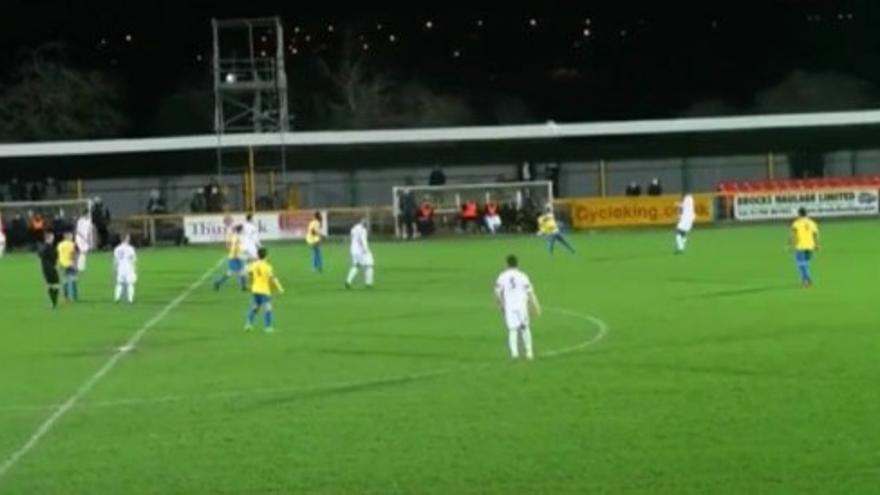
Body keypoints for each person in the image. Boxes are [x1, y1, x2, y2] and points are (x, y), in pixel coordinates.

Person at [494, 254, 542, 360]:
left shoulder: (502, 276)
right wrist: (536, 305)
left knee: (512, 329)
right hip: (521, 305)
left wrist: (501, 304)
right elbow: (530, 292)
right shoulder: (523, 276)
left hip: (509, 306)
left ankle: (514, 354)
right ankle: (529, 353)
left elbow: (497, 292)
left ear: (507, 264)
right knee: (525, 328)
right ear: (517, 264)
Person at [245, 247, 284, 333]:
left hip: (255, 289)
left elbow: (249, 275)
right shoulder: (267, 266)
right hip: (264, 290)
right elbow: (273, 278)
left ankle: (249, 324)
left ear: (258, 255)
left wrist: (249, 285)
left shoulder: (253, 265)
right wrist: (280, 288)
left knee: (255, 307)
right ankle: (268, 327)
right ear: (266, 256)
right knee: (268, 308)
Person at [790, 207, 819, 287]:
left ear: (799, 214)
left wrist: (790, 244)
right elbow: (815, 234)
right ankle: (804, 281)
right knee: (806, 264)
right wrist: (817, 244)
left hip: (800, 246)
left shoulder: (796, 223)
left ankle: (808, 279)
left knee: (801, 265)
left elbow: (793, 235)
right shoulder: (812, 223)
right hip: (810, 246)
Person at [214, 225, 247, 291]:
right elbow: (234, 247)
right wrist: (235, 255)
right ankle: (218, 283)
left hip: (237, 257)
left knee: (242, 272)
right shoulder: (237, 237)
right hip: (235, 257)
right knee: (230, 273)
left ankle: (243, 287)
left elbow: (232, 245)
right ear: (240, 230)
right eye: (243, 229)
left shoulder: (237, 236)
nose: (244, 231)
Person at [345, 218, 375, 289]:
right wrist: (366, 250)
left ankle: (348, 281)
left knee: (356, 265)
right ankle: (368, 283)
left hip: (353, 250)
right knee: (369, 265)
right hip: (361, 250)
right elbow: (363, 241)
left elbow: (352, 237)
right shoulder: (363, 230)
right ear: (365, 224)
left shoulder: (354, 228)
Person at [38, 232, 61, 309]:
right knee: (56, 284)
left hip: (44, 268)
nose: (53, 239)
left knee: (50, 285)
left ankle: (53, 301)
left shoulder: (42, 247)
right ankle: (54, 301)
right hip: (51, 267)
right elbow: (55, 257)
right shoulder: (51, 248)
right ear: (49, 239)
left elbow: (39, 255)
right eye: (52, 238)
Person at [113, 234, 138, 304]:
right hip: (129, 268)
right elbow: (133, 259)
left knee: (119, 284)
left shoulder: (117, 249)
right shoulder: (130, 248)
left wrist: (115, 269)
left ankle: (117, 298)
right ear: (126, 239)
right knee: (130, 284)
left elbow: (115, 260)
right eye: (128, 238)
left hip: (120, 268)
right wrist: (135, 268)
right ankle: (130, 299)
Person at [57, 231, 79, 302]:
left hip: (63, 264)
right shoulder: (72, 244)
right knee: (73, 280)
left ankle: (66, 298)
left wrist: (59, 263)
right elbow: (74, 254)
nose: (72, 237)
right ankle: (74, 297)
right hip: (71, 264)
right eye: (71, 236)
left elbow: (58, 255)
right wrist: (75, 264)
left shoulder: (60, 245)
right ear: (68, 237)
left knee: (65, 281)